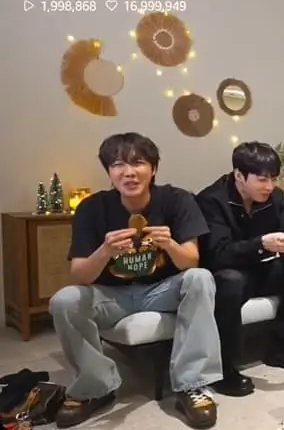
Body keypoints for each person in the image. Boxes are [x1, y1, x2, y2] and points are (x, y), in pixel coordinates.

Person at [48, 133, 221, 429]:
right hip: (111, 296)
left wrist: (169, 244)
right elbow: (78, 276)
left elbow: (191, 261)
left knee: (200, 278)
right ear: (109, 172)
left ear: (153, 169)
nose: (128, 172)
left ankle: (191, 384)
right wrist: (105, 251)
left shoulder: (177, 200)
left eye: (138, 162)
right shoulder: (92, 208)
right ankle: (95, 387)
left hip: (161, 290)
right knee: (64, 300)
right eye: (118, 164)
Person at [196, 142, 284, 396]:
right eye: (262, 179)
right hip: (229, 273)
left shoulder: (275, 197)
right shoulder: (211, 200)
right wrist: (261, 244)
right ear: (239, 175)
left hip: (263, 269)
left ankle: (281, 349)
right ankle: (223, 370)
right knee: (230, 281)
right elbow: (218, 254)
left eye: (273, 179)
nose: (269, 186)